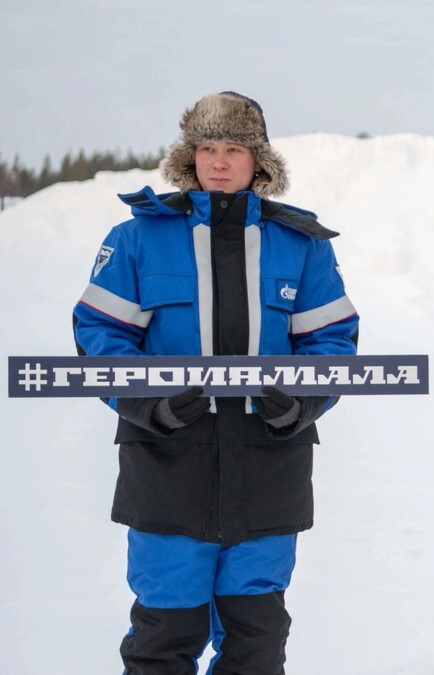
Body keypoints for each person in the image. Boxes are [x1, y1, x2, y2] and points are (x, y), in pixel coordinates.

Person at [72, 91, 359, 673]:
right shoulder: (137, 239)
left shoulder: (300, 245)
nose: (220, 162)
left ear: (259, 161)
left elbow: (333, 343)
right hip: (167, 466)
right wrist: (149, 401)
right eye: (208, 148)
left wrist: (302, 400)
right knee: (163, 637)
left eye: (234, 148)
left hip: (269, 468)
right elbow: (98, 339)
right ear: (190, 156)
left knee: (255, 639)